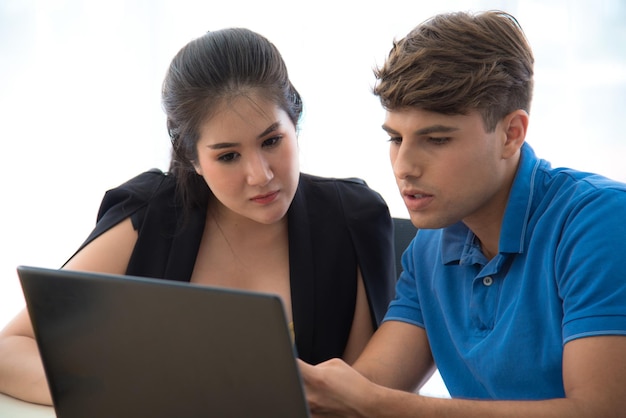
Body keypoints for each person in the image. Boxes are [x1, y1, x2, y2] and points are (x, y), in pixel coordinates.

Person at [0, 28, 396, 405]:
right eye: (228, 156)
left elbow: (363, 392)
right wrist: (126, 393)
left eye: (271, 140)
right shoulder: (150, 215)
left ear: (295, 122)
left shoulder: (352, 218)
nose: (261, 175)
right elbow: (10, 351)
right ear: (192, 158)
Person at [298, 10, 626, 417]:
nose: (404, 165)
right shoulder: (430, 246)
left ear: (511, 134)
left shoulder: (604, 221)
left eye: (435, 139)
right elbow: (362, 391)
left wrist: (374, 404)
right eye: (396, 138)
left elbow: (601, 411)